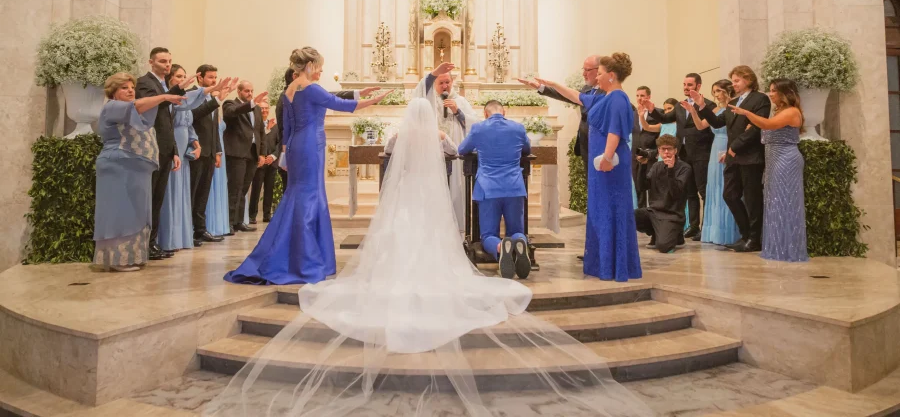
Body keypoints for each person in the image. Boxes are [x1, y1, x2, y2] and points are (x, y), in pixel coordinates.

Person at [205, 98, 653, 417]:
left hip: (405, 201)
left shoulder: (398, 134)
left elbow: (394, 161)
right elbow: (456, 155)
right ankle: (506, 244)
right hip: (467, 195)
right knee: (449, 237)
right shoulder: (449, 133)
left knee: (399, 235)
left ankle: (442, 263)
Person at [225, 47, 389, 285]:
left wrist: (286, 153)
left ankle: (290, 252)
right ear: (310, 65)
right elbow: (335, 103)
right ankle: (305, 259)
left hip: (296, 146)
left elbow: (288, 127)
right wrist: (372, 101)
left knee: (298, 195)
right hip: (311, 145)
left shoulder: (290, 89)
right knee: (310, 198)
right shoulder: (311, 88)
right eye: (319, 66)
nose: (321, 69)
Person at [536, 53, 642, 282]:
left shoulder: (618, 99)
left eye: (601, 73)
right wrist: (550, 84)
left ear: (611, 76)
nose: (597, 77)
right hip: (601, 165)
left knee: (610, 209)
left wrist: (607, 157)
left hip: (609, 165)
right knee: (600, 210)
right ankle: (603, 262)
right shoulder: (604, 97)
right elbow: (576, 96)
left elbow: (615, 131)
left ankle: (614, 265)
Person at [93, 73, 184, 272]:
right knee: (121, 212)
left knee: (137, 212)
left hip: (135, 168)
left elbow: (147, 111)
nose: (130, 90)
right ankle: (118, 260)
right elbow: (137, 106)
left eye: (131, 87)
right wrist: (164, 96)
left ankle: (133, 257)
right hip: (118, 165)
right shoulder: (112, 107)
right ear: (114, 91)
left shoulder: (135, 110)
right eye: (124, 87)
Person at [690, 65, 772, 253]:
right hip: (733, 157)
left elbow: (756, 127)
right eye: (733, 80)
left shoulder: (760, 99)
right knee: (729, 195)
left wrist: (734, 147)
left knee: (752, 199)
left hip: (750, 156)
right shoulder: (735, 101)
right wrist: (702, 106)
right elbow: (718, 122)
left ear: (748, 80)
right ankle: (745, 234)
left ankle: (754, 239)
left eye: (737, 80)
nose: (733, 84)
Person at [729, 78, 808, 262]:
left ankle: (788, 250)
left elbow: (767, 125)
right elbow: (767, 128)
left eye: (774, 91)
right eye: (770, 90)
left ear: (785, 93)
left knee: (785, 204)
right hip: (774, 162)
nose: (770, 94)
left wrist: (747, 114)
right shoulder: (779, 111)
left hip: (786, 161)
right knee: (775, 204)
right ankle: (777, 247)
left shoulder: (792, 111)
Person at [458, 100, 532, 279]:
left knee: (488, 234)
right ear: (504, 112)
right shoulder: (518, 128)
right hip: (514, 186)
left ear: (485, 114)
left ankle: (500, 248)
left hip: (488, 187)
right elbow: (527, 149)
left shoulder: (478, 128)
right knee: (516, 230)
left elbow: (462, 149)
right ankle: (520, 242)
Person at [640, 74, 714, 241]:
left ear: (699, 86)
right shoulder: (680, 106)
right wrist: (652, 109)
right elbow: (665, 118)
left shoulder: (708, 104)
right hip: (684, 153)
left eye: (690, 84)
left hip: (701, 152)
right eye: (684, 84)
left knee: (703, 191)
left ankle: (705, 227)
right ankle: (693, 226)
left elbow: (709, 127)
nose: (686, 87)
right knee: (689, 192)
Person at [275, 66, 373, 192]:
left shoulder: (304, 94)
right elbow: (284, 130)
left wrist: (357, 93)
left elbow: (329, 96)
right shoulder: (288, 98)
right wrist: (285, 154)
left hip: (305, 151)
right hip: (293, 154)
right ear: (295, 77)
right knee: (294, 195)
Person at [136, 47, 190, 261]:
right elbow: (155, 106)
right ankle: (144, 245)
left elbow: (168, 121)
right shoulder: (145, 83)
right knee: (149, 198)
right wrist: (177, 91)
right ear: (151, 62)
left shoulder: (163, 86)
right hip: (152, 147)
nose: (167, 65)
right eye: (162, 61)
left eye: (169, 61)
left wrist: (175, 151)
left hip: (166, 147)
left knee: (158, 199)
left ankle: (153, 243)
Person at [157, 65, 218, 251]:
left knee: (183, 192)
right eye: (178, 76)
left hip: (185, 148)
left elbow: (189, 123)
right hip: (173, 145)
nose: (181, 79)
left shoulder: (182, 101)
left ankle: (180, 236)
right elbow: (169, 124)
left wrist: (195, 142)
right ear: (170, 79)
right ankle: (165, 237)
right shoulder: (170, 99)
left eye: (184, 76)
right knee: (171, 192)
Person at [413, 62, 479, 232]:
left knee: (455, 189)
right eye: (440, 83)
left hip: (455, 155)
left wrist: (458, 112)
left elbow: (474, 127)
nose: (444, 86)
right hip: (432, 155)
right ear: (435, 84)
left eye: (447, 82)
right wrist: (434, 73)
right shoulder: (428, 101)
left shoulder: (460, 101)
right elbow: (420, 89)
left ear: (452, 82)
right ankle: (434, 228)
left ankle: (456, 229)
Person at [682, 79, 740, 246]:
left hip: (727, 147)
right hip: (715, 149)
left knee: (727, 188)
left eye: (719, 91)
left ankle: (731, 231)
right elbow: (700, 126)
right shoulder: (716, 109)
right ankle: (715, 230)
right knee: (714, 188)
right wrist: (693, 110)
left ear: (728, 91)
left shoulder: (733, 107)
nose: (716, 94)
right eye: (714, 91)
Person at [189, 65, 235, 245]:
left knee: (203, 193)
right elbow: (194, 116)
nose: (214, 81)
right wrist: (215, 101)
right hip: (196, 149)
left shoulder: (212, 98)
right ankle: (191, 231)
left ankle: (200, 229)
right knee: (193, 193)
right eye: (210, 78)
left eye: (215, 78)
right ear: (199, 78)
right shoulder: (192, 94)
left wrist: (217, 151)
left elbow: (215, 127)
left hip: (209, 151)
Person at [222, 81, 268, 235]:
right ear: (239, 91)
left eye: (251, 90)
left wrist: (262, 153)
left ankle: (239, 221)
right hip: (237, 152)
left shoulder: (256, 109)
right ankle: (228, 223)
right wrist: (252, 103)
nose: (250, 93)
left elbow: (260, 132)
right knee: (234, 189)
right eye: (247, 91)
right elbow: (232, 112)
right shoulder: (230, 104)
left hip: (252, 153)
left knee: (243, 189)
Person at [634, 134, 692, 254]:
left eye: (669, 149)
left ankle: (677, 236)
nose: (666, 152)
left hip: (672, 214)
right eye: (663, 149)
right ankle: (656, 232)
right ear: (659, 151)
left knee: (664, 247)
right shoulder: (656, 166)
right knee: (628, 216)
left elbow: (676, 193)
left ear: (675, 150)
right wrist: (643, 166)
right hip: (654, 212)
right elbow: (642, 187)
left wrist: (670, 170)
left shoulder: (684, 168)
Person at [248, 103, 279, 225]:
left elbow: (279, 143)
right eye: (262, 108)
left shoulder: (275, 126)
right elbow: (259, 140)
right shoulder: (255, 124)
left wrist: (273, 156)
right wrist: (267, 129)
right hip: (259, 162)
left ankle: (267, 215)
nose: (264, 110)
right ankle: (252, 215)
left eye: (266, 108)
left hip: (272, 162)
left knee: (269, 189)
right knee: (256, 189)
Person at [632, 85, 659, 208]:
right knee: (638, 187)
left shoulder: (656, 113)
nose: (639, 98)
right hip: (634, 154)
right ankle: (640, 216)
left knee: (651, 187)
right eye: (637, 95)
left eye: (642, 95)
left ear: (649, 97)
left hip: (650, 155)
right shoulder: (632, 114)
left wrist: (652, 153)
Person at [205, 119, 231, 237]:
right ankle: (208, 225)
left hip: (219, 150)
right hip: (210, 148)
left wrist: (219, 151)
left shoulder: (216, 108)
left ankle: (219, 224)